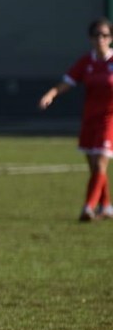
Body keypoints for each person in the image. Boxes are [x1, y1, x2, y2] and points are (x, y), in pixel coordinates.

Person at [38, 17, 113, 221]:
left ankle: (88, 208)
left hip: (110, 120)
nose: (101, 39)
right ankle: (106, 206)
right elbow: (68, 81)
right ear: (90, 38)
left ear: (111, 38)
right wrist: (51, 93)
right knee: (94, 167)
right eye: (97, 35)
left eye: (105, 35)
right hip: (90, 120)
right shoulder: (86, 62)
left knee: (100, 164)